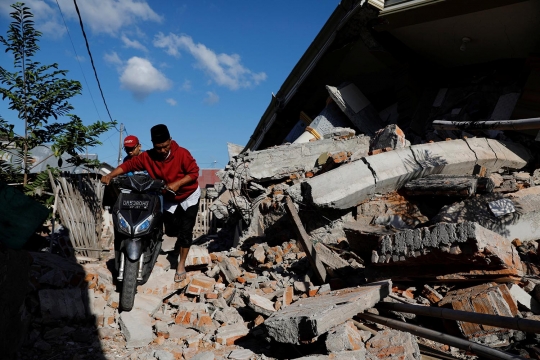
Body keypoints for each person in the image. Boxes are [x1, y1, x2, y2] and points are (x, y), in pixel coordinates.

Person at [101, 124, 200, 283]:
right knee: (171, 230)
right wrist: (111, 175)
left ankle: (181, 265)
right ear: (153, 144)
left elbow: (194, 173)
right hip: (169, 198)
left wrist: (178, 183)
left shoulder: (182, 153)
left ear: (170, 141)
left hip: (189, 196)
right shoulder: (148, 157)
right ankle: (177, 246)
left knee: (185, 231)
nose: (162, 150)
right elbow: (128, 165)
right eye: (158, 147)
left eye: (165, 146)